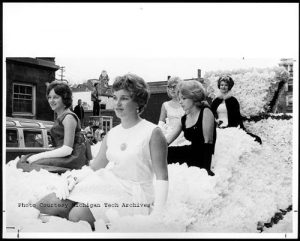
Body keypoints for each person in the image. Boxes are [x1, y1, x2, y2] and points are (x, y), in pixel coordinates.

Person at [34, 73, 169, 231]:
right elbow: (96, 165)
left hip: (134, 193)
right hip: (110, 184)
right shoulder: (113, 133)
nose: (117, 103)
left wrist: (158, 215)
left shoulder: (152, 132)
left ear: (138, 101)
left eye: (124, 98)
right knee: (45, 204)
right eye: (115, 97)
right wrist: (73, 177)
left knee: (76, 216)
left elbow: (162, 177)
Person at [17, 81, 90, 174]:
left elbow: (67, 149)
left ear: (65, 99)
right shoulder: (61, 116)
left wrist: (38, 156)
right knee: (24, 160)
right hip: (66, 156)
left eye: (56, 97)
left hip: (73, 158)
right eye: (49, 97)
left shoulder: (68, 117)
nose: (51, 100)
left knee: (29, 164)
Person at [166, 80, 216, 176]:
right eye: (179, 99)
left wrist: (206, 170)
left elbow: (208, 141)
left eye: (183, 98)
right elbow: (167, 141)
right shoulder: (184, 118)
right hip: (190, 152)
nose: (180, 102)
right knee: (164, 153)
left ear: (194, 97)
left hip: (202, 156)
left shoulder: (205, 111)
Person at [210, 75, 262, 144]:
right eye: (221, 85)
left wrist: (238, 127)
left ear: (229, 87)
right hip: (218, 127)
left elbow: (237, 116)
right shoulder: (216, 101)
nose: (223, 87)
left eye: (226, 85)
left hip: (231, 126)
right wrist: (215, 122)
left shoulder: (233, 100)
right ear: (219, 86)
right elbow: (211, 114)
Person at [158, 76, 190, 147]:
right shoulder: (165, 105)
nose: (172, 89)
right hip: (169, 135)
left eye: (174, 86)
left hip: (184, 136)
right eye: (169, 87)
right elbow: (161, 124)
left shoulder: (187, 103)